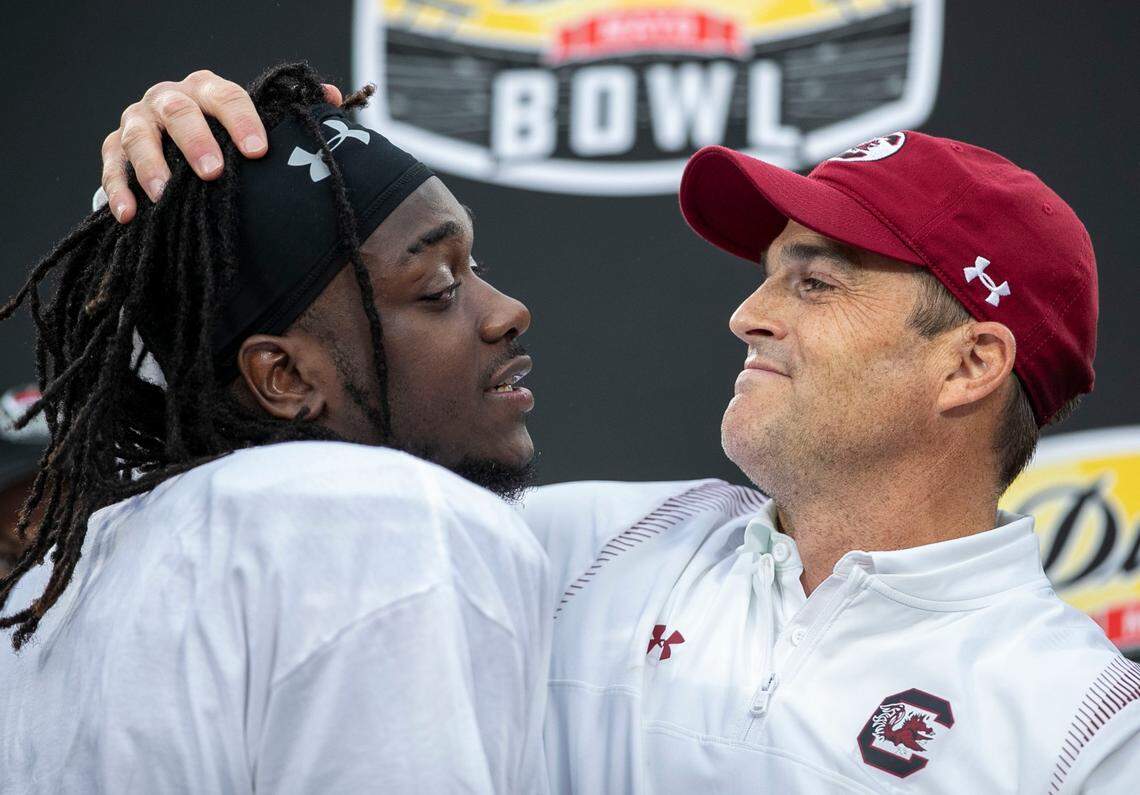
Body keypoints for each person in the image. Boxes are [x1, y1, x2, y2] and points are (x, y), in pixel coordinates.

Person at [101, 74, 1139, 792]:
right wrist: (245, 176)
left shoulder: (1088, 732)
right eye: (765, 274)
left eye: (815, 282)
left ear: (969, 365)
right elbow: (270, 462)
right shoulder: (571, 549)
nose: (748, 315)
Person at [0, 63, 550, 794]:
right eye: (439, 288)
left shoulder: (49, 594)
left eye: (472, 265)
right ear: (284, 378)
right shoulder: (379, 519)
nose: (508, 309)